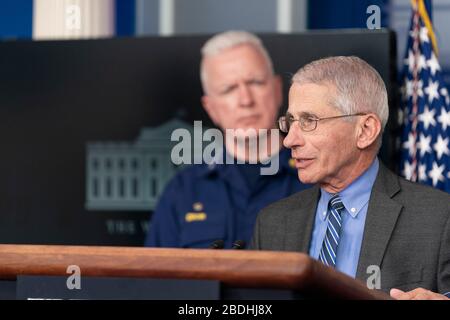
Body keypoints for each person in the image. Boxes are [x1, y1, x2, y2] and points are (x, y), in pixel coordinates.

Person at [250, 56, 450, 300]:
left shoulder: (439, 219)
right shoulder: (272, 223)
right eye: (290, 122)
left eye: (309, 121)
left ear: (365, 131)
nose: (290, 140)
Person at [145, 31, 309, 249]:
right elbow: (156, 280)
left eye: (255, 82)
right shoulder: (182, 192)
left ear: (278, 90)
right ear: (211, 108)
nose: (245, 100)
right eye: (229, 89)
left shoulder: (314, 179)